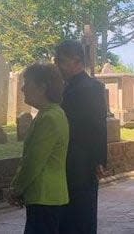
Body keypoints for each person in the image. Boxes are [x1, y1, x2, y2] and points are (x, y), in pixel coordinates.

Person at [9, 63, 69, 234]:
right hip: (47, 195)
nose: (22, 89)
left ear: (42, 87)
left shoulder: (49, 118)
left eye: (27, 83)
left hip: (44, 194)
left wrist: (16, 188)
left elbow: (34, 161)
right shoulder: (52, 113)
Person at [55, 40, 107, 234]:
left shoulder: (91, 87)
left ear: (76, 61)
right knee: (66, 216)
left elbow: (98, 125)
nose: (57, 65)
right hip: (64, 159)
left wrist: (99, 160)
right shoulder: (65, 87)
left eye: (61, 61)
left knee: (82, 214)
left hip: (82, 162)